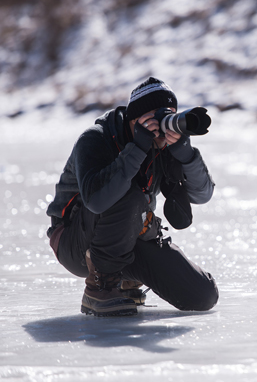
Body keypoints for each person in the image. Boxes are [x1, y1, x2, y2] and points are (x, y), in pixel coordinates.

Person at [45, 77, 219, 316]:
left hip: (130, 234)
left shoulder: (165, 146)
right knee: (129, 195)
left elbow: (202, 195)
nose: (163, 127)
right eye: (155, 118)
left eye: (169, 116)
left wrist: (186, 154)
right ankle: (100, 287)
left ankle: (125, 279)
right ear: (135, 119)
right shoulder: (96, 138)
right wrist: (137, 148)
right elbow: (97, 201)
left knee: (202, 294)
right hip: (75, 241)